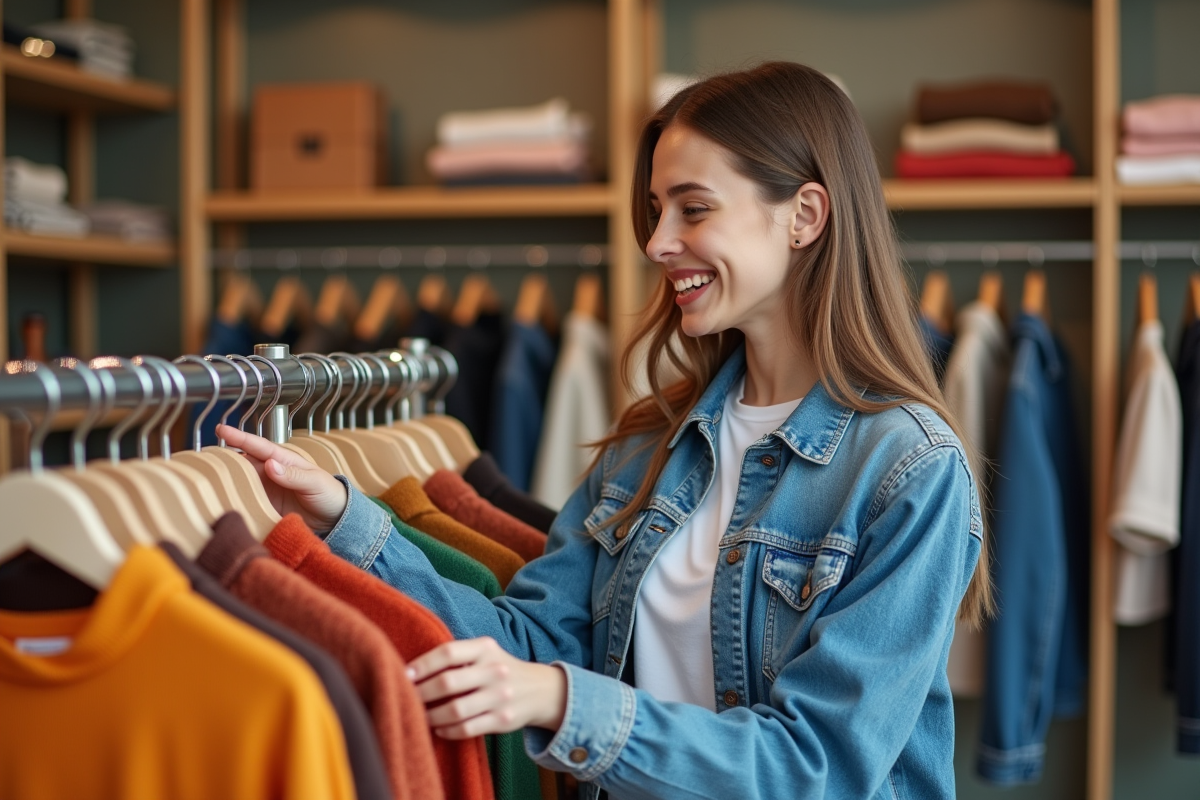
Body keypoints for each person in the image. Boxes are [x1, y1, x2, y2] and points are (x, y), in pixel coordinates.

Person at [220, 61, 989, 800]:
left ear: (806, 216)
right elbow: (531, 645)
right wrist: (348, 520)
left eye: (694, 208)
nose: (656, 243)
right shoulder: (646, 446)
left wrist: (562, 700)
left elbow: (817, 769)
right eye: (657, 212)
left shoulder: (907, 469)